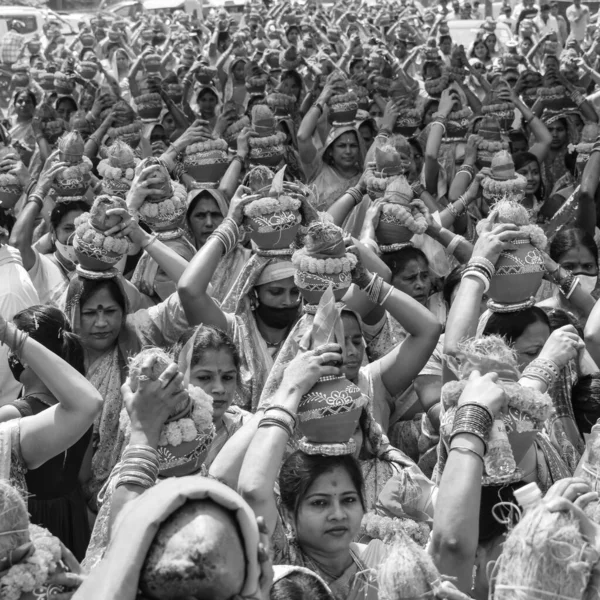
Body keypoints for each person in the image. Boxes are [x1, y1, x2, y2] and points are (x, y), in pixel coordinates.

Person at [0, 305, 92, 560]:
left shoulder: (12, 416)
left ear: (26, 356)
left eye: (11, 347)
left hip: (31, 522)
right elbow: (83, 474)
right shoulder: (79, 410)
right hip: (71, 513)